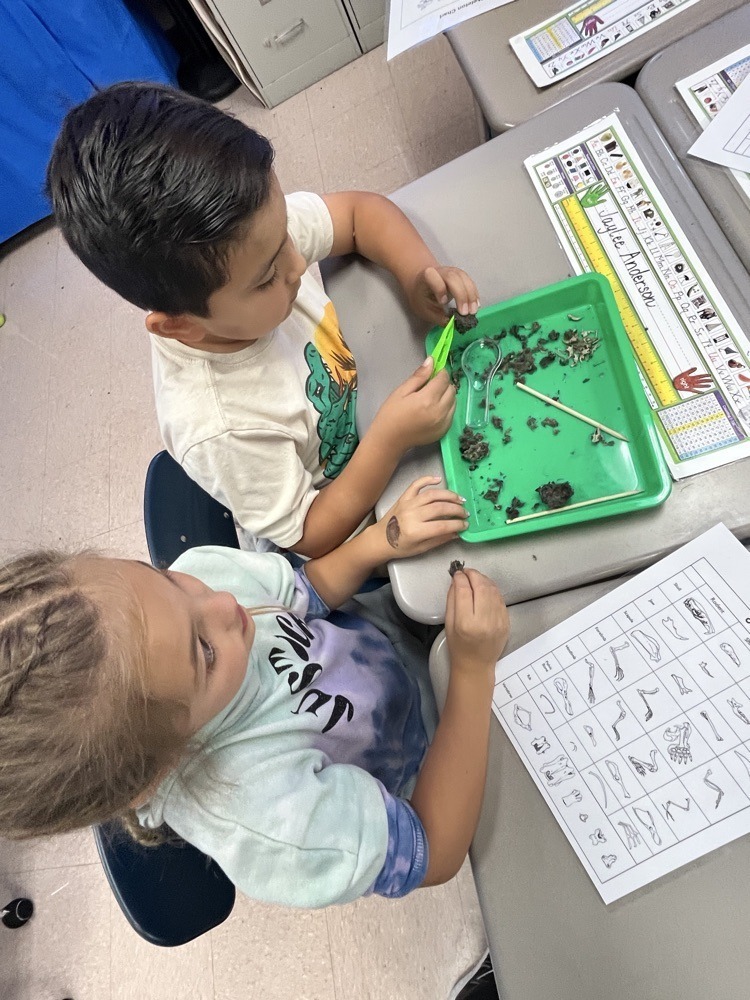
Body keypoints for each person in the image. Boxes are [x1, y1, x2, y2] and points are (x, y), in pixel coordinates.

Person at [0, 478, 508, 909]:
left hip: (414, 636)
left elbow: (305, 592)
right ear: (156, 769)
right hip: (452, 756)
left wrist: (385, 539)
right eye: (204, 651)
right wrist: (470, 669)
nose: (223, 602)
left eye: (168, 581)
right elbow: (435, 849)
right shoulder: (272, 825)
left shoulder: (201, 588)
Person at [46, 82, 479, 558]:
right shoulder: (222, 426)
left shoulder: (251, 235)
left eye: (285, 240)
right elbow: (311, 536)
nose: (296, 264)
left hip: (375, 410)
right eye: (269, 276)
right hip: (351, 519)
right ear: (182, 326)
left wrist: (416, 271)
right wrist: (391, 439)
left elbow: (358, 214)